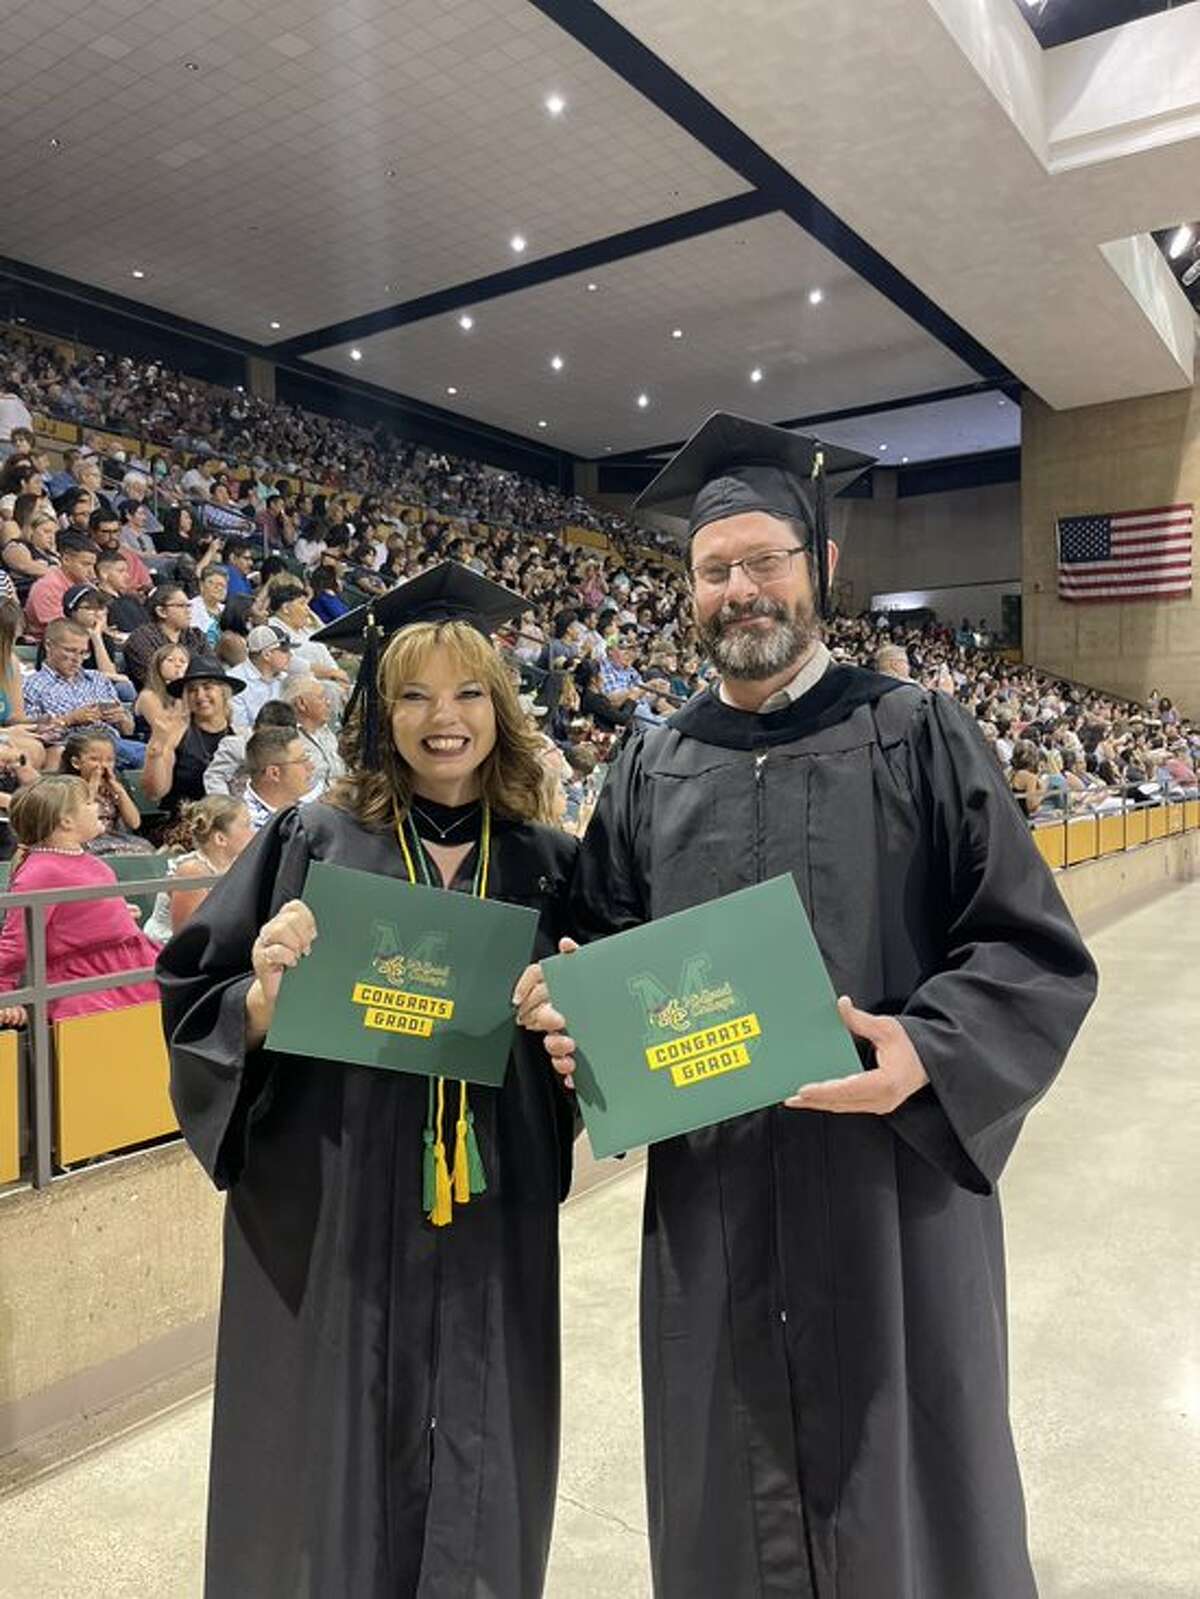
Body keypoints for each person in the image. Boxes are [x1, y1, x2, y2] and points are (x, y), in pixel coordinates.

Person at [514, 413, 1098, 1599]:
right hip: (715, 1192)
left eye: (765, 560)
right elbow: (594, 941)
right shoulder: (650, 766)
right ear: (689, 589)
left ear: (819, 570)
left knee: (907, 1472)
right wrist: (571, 1015)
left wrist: (929, 1050)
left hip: (888, 1192)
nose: (742, 589)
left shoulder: (919, 735)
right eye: (716, 568)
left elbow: (1029, 945)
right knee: (728, 1479)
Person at [157, 563, 578, 1598]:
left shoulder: (549, 859)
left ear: (502, 708)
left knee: (480, 1448)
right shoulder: (315, 837)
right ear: (377, 712)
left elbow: (607, 1037)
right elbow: (198, 989)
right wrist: (258, 1000)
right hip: (334, 1191)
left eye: (469, 692)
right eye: (416, 694)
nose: (446, 718)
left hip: (486, 1198)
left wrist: (578, 1023)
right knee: (326, 1463)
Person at [0, 776, 160, 1029]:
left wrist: (117, 912)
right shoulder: (40, 871)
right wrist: (5, 995)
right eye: (88, 802)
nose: (97, 805)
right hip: (85, 981)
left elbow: (78, 912)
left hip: (131, 964)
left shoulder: (91, 860)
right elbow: (16, 940)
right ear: (66, 820)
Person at [23, 618, 144, 770]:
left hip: (112, 742)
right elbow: (34, 733)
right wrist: (71, 719)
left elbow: (128, 730)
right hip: (71, 746)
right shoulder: (32, 685)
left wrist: (122, 718)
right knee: (144, 757)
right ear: (49, 646)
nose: (77, 659)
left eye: (83, 653)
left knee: (158, 756)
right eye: (70, 650)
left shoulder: (97, 678)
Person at [141, 656, 244, 819]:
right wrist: (156, 751)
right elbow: (155, 792)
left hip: (230, 821)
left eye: (207, 687)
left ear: (224, 692)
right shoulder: (175, 734)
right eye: (192, 690)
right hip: (184, 821)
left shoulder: (241, 734)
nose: (200, 695)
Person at [143, 796, 254, 944]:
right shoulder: (191, 871)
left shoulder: (239, 864)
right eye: (246, 825)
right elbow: (186, 941)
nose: (253, 832)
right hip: (168, 952)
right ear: (220, 839)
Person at [60, 732, 154, 855]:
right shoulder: (66, 786)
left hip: (112, 838)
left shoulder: (114, 788)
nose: (103, 765)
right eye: (94, 759)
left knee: (145, 848)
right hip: (82, 840)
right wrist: (92, 786)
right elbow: (76, 819)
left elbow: (134, 822)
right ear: (76, 763)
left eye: (109, 760)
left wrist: (118, 789)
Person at [122, 583, 208, 689]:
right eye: (181, 606)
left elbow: (211, 668)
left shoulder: (196, 636)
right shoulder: (141, 639)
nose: (188, 611)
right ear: (161, 611)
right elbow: (155, 676)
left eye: (188, 605)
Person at [23, 529, 99, 642]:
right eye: (85, 564)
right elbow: (58, 629)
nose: (91, 571)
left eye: (93, 565)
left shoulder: (87, 585)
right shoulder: (46, 587)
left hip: (84, 639)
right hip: (50, 644)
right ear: (66, 560)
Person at [239, 724, 316, 830]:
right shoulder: (246, 826)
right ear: (274, 773)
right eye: (302, 760)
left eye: (308, 757)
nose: (311, 767)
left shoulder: (312, 806)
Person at [279, 672, 345, 794]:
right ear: (301, 704)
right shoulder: (286, 739)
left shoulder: (326, 732)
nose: (328, 703)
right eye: (322, 697)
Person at [228, 624, 291, 729]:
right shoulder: (235, 681)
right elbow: (241, 730)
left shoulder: (285, 678)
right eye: (284, 651)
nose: (290, 655)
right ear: (267, 655)